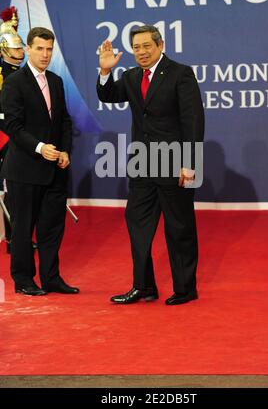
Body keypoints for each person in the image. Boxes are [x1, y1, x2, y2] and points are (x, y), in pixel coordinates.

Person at [97, 25, 204, 305]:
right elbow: (107, 95)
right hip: (142, 165)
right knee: (138, 225)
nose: (141, 52)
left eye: (146, 46)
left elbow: (193, 121)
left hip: (174, 163)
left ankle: (185, 289)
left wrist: (189, 164)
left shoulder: (181, 74)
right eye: (136, 47)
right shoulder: (132, 77)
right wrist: (106, 72)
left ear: (160, 44)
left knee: (179, 228)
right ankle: (143, 286)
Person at [0, 26, 79, 296]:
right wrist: (39, 147)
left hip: (55, 169)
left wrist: (65, 150)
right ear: (28, 50)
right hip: (24, 169)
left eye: (49, 49)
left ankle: (51, 278)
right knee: (23, 228)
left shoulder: (56, 81)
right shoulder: (14, 82)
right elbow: (12, 125)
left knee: (52, 227)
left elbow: (64, 121)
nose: (45, 54)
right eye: (39, 49)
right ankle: (23, 280)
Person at [0, 7, 25, 253]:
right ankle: (13, 239)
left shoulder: (22, 73)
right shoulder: (3, 73)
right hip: (5, 135)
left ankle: (21, 236)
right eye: (16, 48)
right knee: (11, 191)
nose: (20, 52)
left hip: (20, 134)